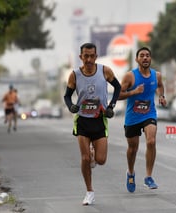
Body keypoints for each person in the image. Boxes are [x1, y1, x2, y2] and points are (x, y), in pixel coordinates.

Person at [63, 43, 121, 205]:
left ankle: (94, 155)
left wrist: (111, 106)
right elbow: (67, 96)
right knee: (85, 158)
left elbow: (117, 87)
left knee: (101, 160)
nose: (88, 59)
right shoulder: (74, 75)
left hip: (99, 120)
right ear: (81, 57)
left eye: (91, 56)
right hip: (82, 120)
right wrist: (71, 106)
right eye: (85, 56)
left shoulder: (105, 71)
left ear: (96, 56)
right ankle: (89, 191)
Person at [118, 47, 167, 193]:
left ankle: (148, 177)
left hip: (149, 114)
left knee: (151, 141)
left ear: (150, 59)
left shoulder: (156, 75)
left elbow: (160, 86)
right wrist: (134, 92)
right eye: (142, 56)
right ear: (137, 59)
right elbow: (119, 95)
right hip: (132, 116)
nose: (145, 58)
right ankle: (131, 172)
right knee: (133, 149)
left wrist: (161, 96)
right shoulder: (130, 77)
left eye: (147, 55)